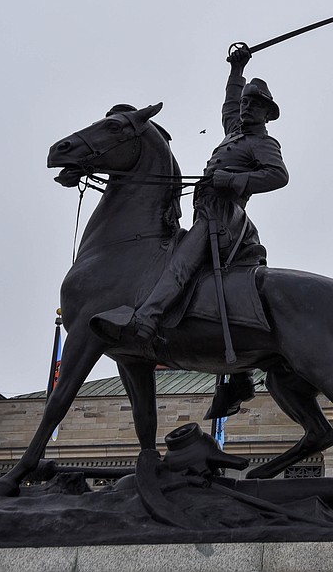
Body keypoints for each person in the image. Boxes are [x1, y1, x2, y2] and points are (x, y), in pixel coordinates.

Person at [92, 43, 287, 414]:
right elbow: (229, 103)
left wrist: (232, 179)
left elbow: (278, 176)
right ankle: (234, 371)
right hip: (205, 212)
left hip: (226, 218)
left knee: (180, 262)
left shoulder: (263, 143)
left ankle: (146, 321)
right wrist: (237, 69)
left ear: (266, 111)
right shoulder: (235, 132)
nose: (245, 108)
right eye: (245, 104)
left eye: (253, 104)